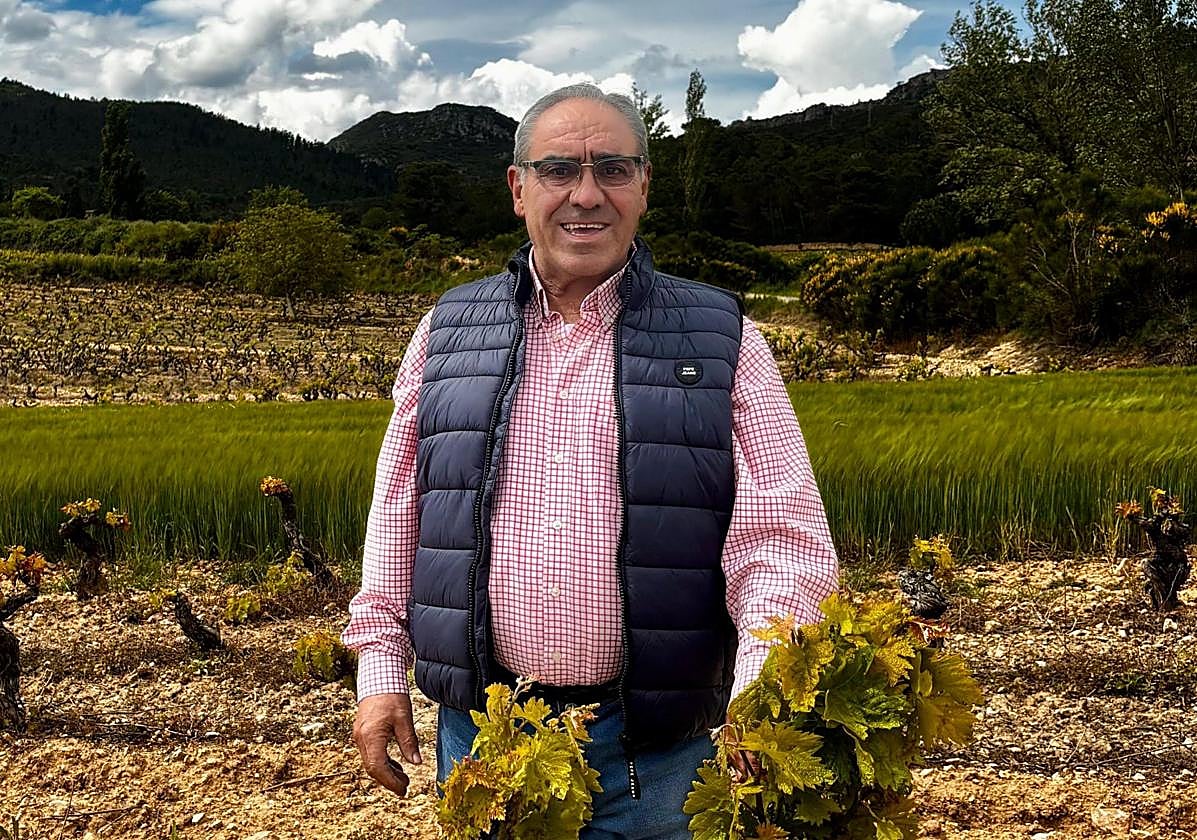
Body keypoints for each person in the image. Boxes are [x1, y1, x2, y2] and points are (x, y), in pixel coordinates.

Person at [342, 82, 839, 838]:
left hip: (660, 750)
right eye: (558, 171)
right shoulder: (446, 330)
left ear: (643, 187)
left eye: (612, 169)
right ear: (518, 189)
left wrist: (760, 688)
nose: (586, 195)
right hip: (481, 735)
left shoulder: (724, 338)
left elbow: (780, 540)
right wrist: (380, 676)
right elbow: (399, 518)